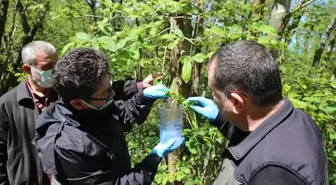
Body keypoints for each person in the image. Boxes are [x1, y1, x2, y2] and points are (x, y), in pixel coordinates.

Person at [34, 48, 185, 185]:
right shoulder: (69, 147)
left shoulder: (92, 106)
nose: (113, 94)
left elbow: (120, 116)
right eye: (106, 92)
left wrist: (144, 97)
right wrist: (153, 159)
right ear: (78, 103)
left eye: (110, 86)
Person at [187, 40, 328, 185]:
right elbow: (257, 135)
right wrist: (221, 119)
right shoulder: (297, 118)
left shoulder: (271, 174)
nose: (213, 98)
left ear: (236, 102)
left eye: (214, 94)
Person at [0, 41, 59, 185]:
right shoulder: (7, 104)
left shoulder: (66, 96)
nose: (54, 70)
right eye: (47, 66)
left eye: (56, 65)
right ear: (27, 69)